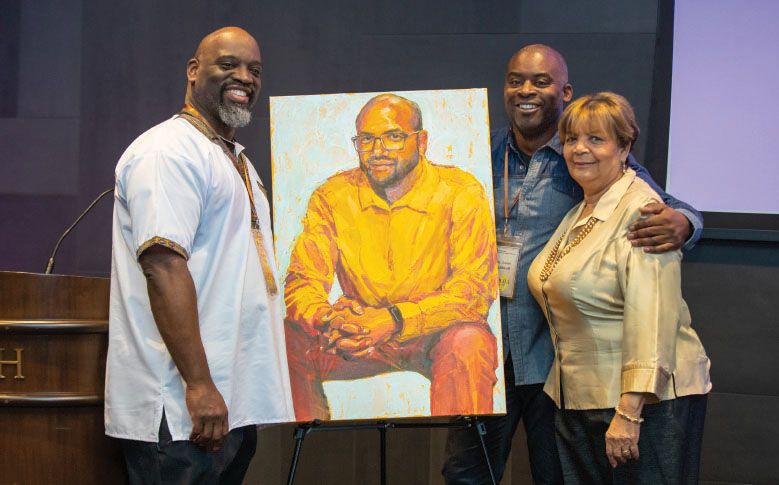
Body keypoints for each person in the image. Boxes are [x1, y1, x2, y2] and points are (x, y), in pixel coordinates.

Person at [442, 45, 704, 484]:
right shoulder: (475, 156)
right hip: (484, 353)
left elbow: (665, 206)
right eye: (516, 80)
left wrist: (686, 223)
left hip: (553, 363)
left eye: (541, 81)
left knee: (555, 477)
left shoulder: (585, 158)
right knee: (464, 476)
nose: (527, 90)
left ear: (563, 91)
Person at [105, 27, 294, 484]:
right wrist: (199, 385)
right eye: (228, 64)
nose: (244, 77)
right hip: (179, 408)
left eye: (254, 70)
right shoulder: (167, 151)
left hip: (228, 405)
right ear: (193, 71)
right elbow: (163, 267)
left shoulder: (235, 159)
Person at [527, 92, 711, 483]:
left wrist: (629, 412)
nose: (580, 150)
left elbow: (653, 317)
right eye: (572, 139)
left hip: (643, 405)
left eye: (596, 139)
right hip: (582, 398)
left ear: (625, 147)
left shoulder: (643, 211)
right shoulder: (584, 208)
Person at [283, 93, 500, 420]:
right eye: (367, 140)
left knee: (470, 342)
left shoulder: (461, 192)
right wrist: (328, 317)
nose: (378, 151)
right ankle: (312, 444)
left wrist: (396, 319)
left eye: (393, 137)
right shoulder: (332, 196)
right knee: (286, 340)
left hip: (435, 333)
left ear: (422, 141)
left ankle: (461, 456)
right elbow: (303, 281)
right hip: (360, 334)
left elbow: (474, 293)